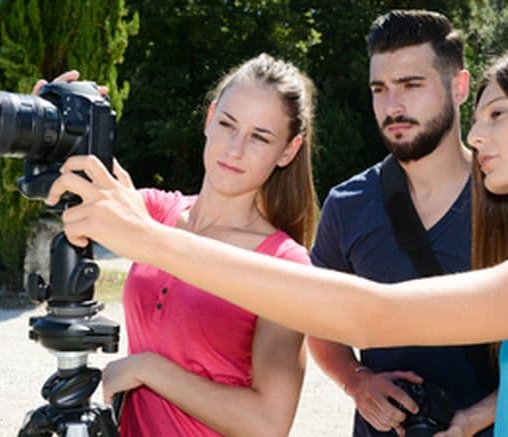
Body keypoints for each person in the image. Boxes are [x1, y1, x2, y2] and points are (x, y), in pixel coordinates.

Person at [46, 46, 508, 436]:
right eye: (476, 115)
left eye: (497, 115)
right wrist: (68, 128)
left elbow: (370, 315)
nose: (475, 136)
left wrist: (152, 247)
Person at [41, 53, 319, 436]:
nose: (234, 148)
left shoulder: (283, 261)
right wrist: (53, 127)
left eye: (260, 137)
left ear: (288, 151)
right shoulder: (157, 213)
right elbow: (86, 181)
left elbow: (269, 424)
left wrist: (148, 368)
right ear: (209, 119)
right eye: (227, 124)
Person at [306, 10, 497, 437]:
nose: (393, 106)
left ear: (459, 86)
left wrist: (475, 418)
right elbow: (318, 323)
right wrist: (356, 382)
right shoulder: (347, 205)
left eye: (412, 85)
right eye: (380, 89)